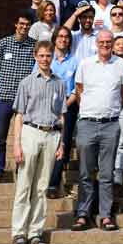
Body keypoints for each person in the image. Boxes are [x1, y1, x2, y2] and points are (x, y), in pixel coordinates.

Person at [68, 30, 123, 232]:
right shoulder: (85, 63)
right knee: (85, 172)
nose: (105, 44)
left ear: (113, 43)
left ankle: (105, 215)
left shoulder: (121, 64)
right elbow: (79, 89)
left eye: (108, 41)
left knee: (106, 174)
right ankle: (83, 214)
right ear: (96, 43)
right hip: (87, 123)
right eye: (102, 41)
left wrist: (111, 109)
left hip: (110, 124)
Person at [9, 41, 66, 244]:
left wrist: (62, 142)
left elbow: (62, 115)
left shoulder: (59, 83)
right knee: (25, 185)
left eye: (48, 55)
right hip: (30, 132)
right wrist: (16, 144)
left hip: (51, 134)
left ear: (52, 57)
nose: (45, 59)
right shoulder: (26, 83)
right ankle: (18, 232)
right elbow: (19, 116)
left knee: (41, 187)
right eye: (41, 55)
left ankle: (35, 232)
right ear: (35, 56)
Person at [0, 13, 36, 185]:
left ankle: (20, 170)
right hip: (4, 98)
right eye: (21, 24)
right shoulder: (4, 43)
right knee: (0, 137)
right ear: (16, 24)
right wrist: (3, 84)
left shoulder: (33, 46)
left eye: (27, 24)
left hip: (25, 101)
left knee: (23, 138)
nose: (24, 27)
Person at [46, 26, 80, 199]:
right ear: (54, 38)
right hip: (45, 106)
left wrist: (65, 106)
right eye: (60, 36)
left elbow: (77, 88)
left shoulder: (75, 62)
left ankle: (53, 184)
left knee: (63, 144)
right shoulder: (46, 58)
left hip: (67, 106)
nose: (63, 39)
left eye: (67, 37)